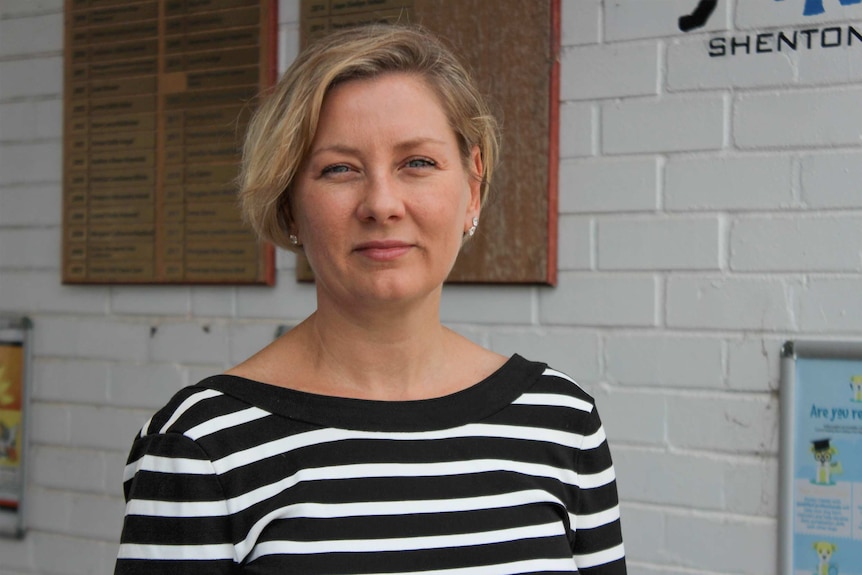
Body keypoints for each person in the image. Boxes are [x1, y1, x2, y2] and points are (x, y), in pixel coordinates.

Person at [115, 24, 626, 575]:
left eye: (418, 163)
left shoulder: (560, 420)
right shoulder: (202, 445)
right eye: (340, 169)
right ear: (290, 207)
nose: (382, 204)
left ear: (472, 189)